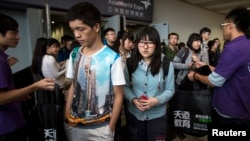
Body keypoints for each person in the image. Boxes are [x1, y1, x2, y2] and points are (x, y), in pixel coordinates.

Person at [64, 2, 125, 141]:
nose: (77, 35)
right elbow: (73, 85)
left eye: (81, 29)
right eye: (73, 30)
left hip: (101, 128)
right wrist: (66, 114)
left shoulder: (113, 58)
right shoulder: (74, 54)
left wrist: (110, 128)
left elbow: (118, 96)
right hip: (74, 125)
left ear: (96, 27)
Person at [188, 6, 250, 133]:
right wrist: (206, 66)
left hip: (230, 111)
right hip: (243, 107)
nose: (222, 29)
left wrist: (195, 76)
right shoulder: (246, 45)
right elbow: (230, 71)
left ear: (230, 26)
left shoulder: (233, 48)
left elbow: (215, 81)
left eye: (223, 25)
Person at [0, 13, 55, 141]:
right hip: (7, 126)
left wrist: (18, 94)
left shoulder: (4, 58)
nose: (18, 37)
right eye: (13, 33)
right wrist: (35, 86)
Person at [123, 26, 175, 141]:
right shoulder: (130, 63)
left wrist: (156, 100)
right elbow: (125, 86)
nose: (145, 47)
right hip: (135, 114)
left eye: (150, 42)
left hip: (158, 116)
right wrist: (133, 100)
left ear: (156, 44)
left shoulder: (166, 64)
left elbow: (170, 89)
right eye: (142, 42)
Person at [112, 29, 134, 140]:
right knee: (117, 114)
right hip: (115, 89)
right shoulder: (113, 54)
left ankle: (128, 134)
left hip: (129, 88)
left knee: (129, 112)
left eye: (132, 42)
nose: (131, 44)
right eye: (129, 41)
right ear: (121, 41)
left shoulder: (132, 55)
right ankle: (117, 134)